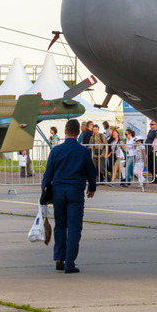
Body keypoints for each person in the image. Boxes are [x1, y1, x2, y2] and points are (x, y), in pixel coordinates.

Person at [42, 117, 97, 274]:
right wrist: (92, 188)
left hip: (58, 192)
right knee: (74, 227)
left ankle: (59, 259)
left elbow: (47, 175)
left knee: (60, 225)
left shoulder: (56, 150)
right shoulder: (84, 151)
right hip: (75, 192)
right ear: (78, 132)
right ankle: (70, 263)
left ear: (65, 131)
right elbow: (91, 172)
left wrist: (44, 195)